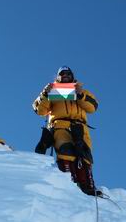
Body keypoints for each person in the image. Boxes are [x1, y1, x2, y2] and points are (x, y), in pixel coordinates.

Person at [32, 66, 100, 196]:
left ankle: (88, 185)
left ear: (72, 76)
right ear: (57, 77)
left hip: (80, 127)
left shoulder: (81, 91)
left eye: (68, 74)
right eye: (62, 74)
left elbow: (93, 107)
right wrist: (45, 94)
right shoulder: (51, 91)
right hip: (60, 125)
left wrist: (80, 95)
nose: (65, 76)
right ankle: (70, 182)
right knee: (65, 149)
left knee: (84, 153)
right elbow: (38, 110)